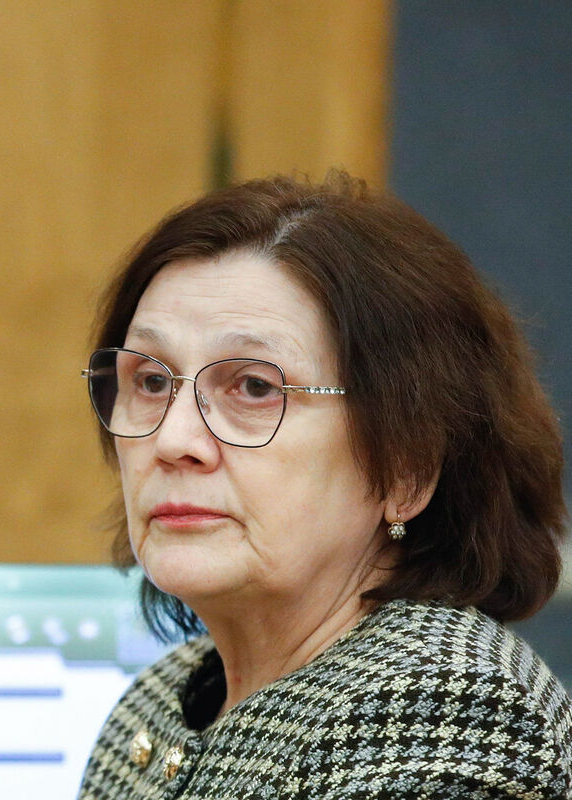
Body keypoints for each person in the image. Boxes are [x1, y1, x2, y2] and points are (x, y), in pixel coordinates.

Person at [76, 173, 571, 799]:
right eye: (151, 381)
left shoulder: (447, 712)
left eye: (255, 387)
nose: (174, 440)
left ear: (405, 467)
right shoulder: (155, 706)